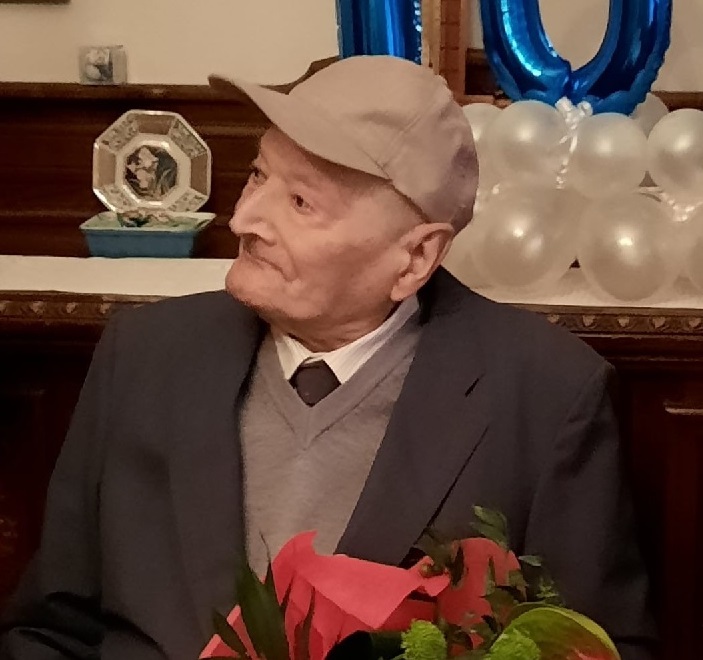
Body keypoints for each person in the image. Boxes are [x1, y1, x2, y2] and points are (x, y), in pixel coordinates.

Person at [0, 55, 654, 659]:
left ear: (414, 257)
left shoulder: (546, 395)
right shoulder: (144, 355)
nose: (244, 219)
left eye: (300, 202)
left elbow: (594, 648)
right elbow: (49, 630)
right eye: (258, 174)